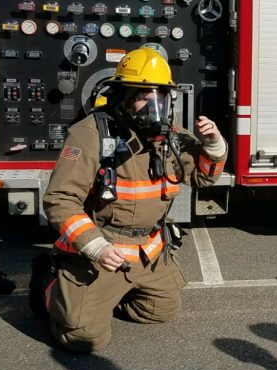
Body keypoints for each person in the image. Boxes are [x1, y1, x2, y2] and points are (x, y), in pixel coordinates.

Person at [42, 46, 227, 353]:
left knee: (161, 312)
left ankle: (108, 295)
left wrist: (214, 144)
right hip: (105, 249)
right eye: (143, 95)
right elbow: (60, 199)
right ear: (123, 96)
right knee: (84, 339)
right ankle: (52, 292)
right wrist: (95, 247)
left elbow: (203, 176)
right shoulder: (91, 134)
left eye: (160, 95)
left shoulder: (171, 137)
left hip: (148, 251)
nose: (154, 104)